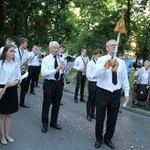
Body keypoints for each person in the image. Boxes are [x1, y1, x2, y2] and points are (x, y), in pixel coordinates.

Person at [94, 39, 130, 149]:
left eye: (116, 45)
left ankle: (108, 138)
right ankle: (99, 139)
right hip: (103, 91)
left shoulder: (122, 62)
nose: (114, 46)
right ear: (107, 48)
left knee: (112, 118)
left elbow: (124, 79)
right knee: (100, 117)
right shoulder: (101, 60)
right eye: (112, 45)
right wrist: (107, 64)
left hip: (115, 93)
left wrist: (127, 92)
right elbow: (96, 74)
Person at [41, 41, 64, 133]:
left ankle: (53, 122)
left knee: (57, 104)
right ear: (50, 49)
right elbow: (44, 73)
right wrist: (56, 69)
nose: (56, 49)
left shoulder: (60, 58)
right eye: (54, 48)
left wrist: (63, 67)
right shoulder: (46, 59)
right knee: (46, 104)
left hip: (59, 83)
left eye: (57, 48)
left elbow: (62, 71)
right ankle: (45, 124)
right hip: (49, 83)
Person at [0, 44, 21, 145]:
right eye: (11, 51)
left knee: (9, 114)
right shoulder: (0, 64)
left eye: (14, 51)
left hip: (11, 90)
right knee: (1, 115)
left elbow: (18, 78)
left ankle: (7, 134)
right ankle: (2, 135)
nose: (13, 53)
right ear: (5, 52)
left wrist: (13, 83)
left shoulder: (15, 64)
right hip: (1, 89)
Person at [86, 49, 103, 121]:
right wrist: (94, 76)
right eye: (99, 55)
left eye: (100, 56)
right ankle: (88, 114)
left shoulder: (100, 63)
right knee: (90, 99)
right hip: (92, 82)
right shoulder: (90, 63)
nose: (100, 57)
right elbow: (88, 75)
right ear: (95, 55)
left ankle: (93, 113)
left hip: (98, 83)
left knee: (96, 100)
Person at [14, 37, 29, 108]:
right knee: (13, 87)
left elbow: (26, 62)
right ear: (21, 43)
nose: (27, 44)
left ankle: (22, 102)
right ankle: (13, 102)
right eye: (26, 43)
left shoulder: (26, 52)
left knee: (23, 87)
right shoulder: (15, 51)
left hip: (23, 71)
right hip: (15, 71)